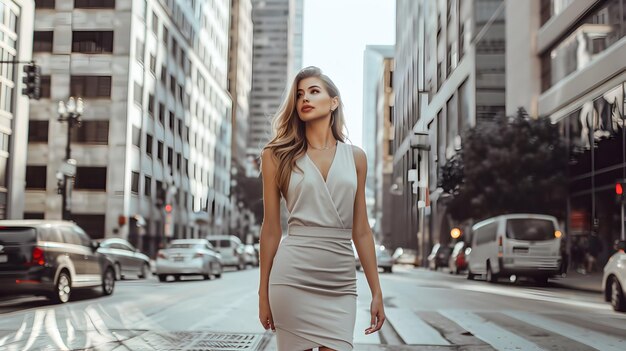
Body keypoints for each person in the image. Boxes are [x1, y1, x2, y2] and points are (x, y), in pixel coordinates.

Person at [257, 66, 385, 351]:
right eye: (300, 94)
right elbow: (270, 229)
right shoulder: (276, 156)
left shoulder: (356, 158)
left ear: (334, 101)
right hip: (292, 277)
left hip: (340, 282)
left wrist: (377, 291)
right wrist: (262, 292)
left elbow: (361, 231)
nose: (305, 98)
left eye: (314, 91)